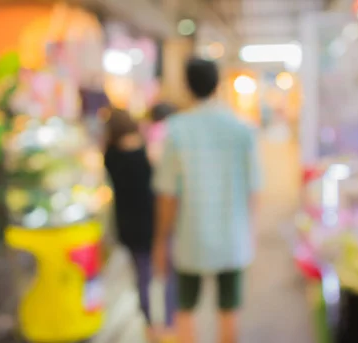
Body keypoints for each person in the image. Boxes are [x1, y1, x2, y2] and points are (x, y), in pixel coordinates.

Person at [152, 58, 262, 343]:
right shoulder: (242, 129)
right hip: (232, 236)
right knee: (229, 310)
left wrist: (162, 238)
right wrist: (251, 231)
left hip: (191, 237)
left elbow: (167, 194)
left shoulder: (176, 129)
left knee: (185, 309)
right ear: (218, 84)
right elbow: (254, 188)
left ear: (187, 85)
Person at [103, 108, 176, 340]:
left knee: (141, 276)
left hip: (128, 225)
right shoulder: (147, 152)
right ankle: (168, 323)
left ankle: (149, 324)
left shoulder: (110, 155)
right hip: (154, 220)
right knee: (166, 272)